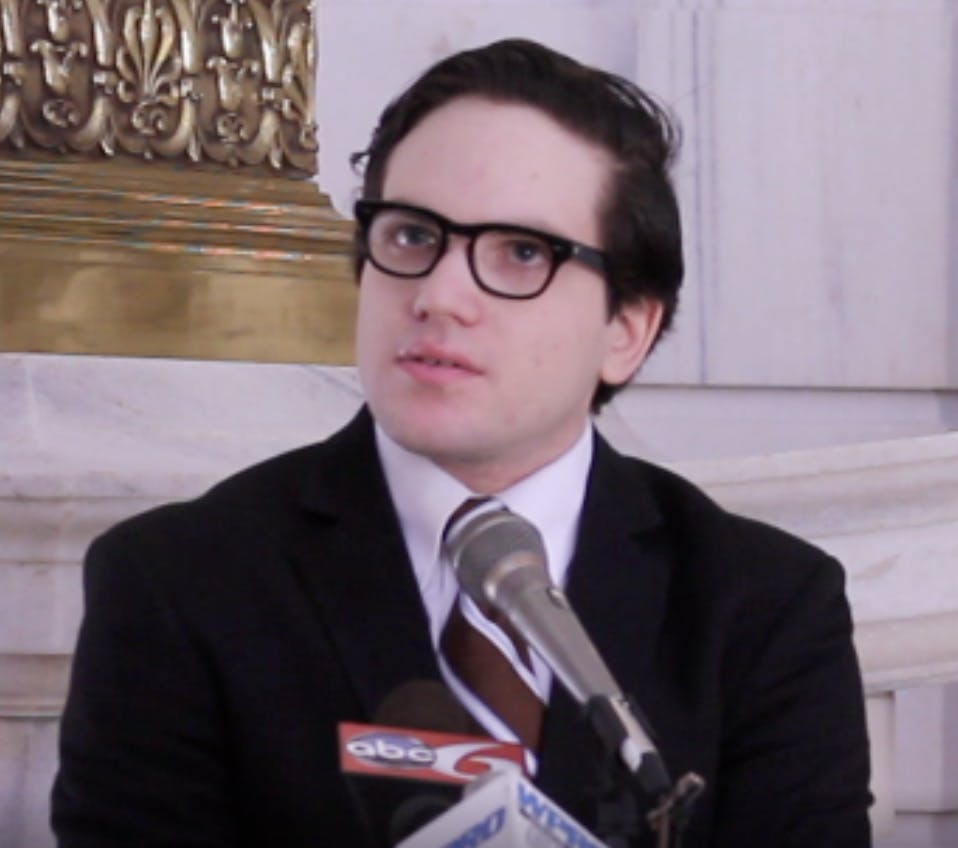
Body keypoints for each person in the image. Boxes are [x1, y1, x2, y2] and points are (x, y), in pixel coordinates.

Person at [51, 38, 872, 846]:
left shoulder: (762, 607)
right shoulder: (179, 584)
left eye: (521, 253)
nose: (440, 296)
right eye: (413, 236)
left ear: (627, 330)